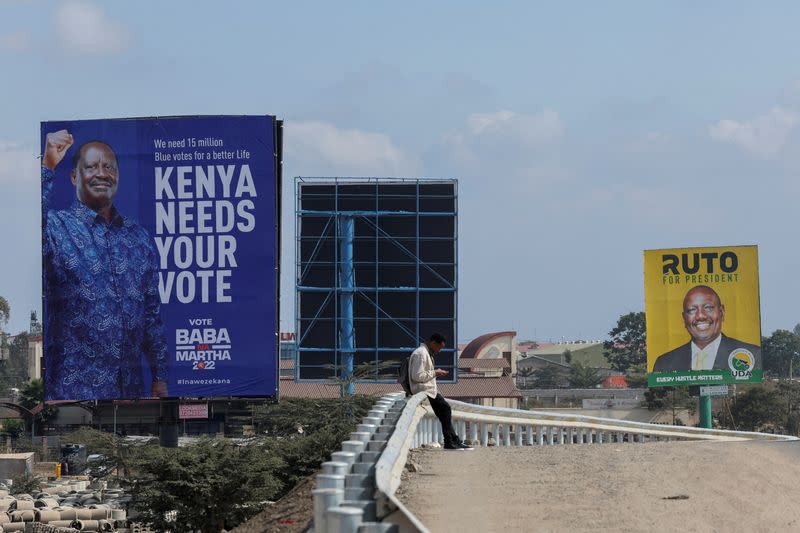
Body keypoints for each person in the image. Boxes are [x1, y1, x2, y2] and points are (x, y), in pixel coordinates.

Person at [42, 129, 169, 400]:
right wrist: (48, 166)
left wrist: (160, 377)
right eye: (91, 167)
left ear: (118, 177)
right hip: (72, 396)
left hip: (130, 398)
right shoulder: (56, 226)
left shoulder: (138, 237)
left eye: (109, 167)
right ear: (74, 177)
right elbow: (33, 224)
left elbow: (150, 315)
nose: (102, 173)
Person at [652, 285, 760, 372]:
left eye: (708, 308)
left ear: (721, 312)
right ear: (684, 318)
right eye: (692, 310)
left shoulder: (752, 355)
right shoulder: (664, 363)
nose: (700, 316)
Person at [409, 333, 473, 450]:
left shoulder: (426, 353)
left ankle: (453, 440)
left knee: (445, 412)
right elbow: (416, 376)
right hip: (424, 391)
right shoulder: (421, 354)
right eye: (439, 347)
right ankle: (450, 441)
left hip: (427, 390)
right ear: (433, 343)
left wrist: (435, 373)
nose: (439, 350)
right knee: (445, 410)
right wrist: (435, 372)